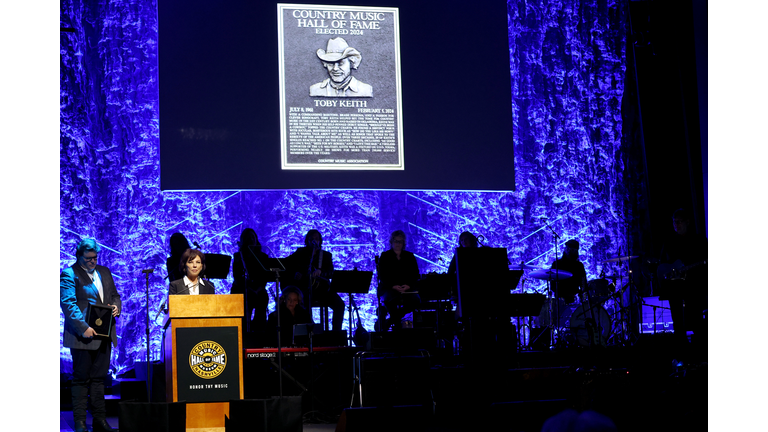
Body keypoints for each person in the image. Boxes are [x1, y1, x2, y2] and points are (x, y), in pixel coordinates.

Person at [60, 239, 121, 432]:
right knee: (80, 379)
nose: (92, 261)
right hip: (82, 336)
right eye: (88, 258)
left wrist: (116, 307)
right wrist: (83, 327)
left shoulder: (104, 271)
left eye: (95, 257)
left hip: (104, 333)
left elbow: (114, 295)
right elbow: (68, 304)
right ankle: (79, 422)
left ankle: (99, 420)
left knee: (99, 379)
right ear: (78, 256)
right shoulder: (70, 274)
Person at [658, 208, 708, 362]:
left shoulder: (699, 241)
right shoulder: (670, 241)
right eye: (674, 222)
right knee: (678, 326)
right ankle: (683, 357)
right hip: (675, 290)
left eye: (678, 221)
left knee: (696, 323)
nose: (676, 225)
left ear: (688, 222)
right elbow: (662, 263)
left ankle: (700, 357)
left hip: (694, 289)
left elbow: (704, 265)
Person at [285, 230, 345, 331]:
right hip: (305, 289)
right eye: (311, 239)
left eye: (316, 239)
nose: (314, 241)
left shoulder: (326, 256)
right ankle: (309, 333)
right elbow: (286, 264)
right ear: (307, 241)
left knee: (340, 305)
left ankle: (336, 334)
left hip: (323, 290)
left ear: (320, 241)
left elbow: (331, 272)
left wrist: (321, 272)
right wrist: (295, 273)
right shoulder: (300, 253)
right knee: (303, 305)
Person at [377, 230, 421, 331]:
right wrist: (393, 286)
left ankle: (392, 320)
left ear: (403, 243)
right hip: (389, 288)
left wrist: (408, 285)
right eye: (396, 241)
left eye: (400, 241)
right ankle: (397, 325)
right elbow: (382, 275)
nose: (397, 244)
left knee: (416, 300)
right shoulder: (385, 256)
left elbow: (415, 274)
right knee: (390, 299)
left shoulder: (409, 256)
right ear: (391, 242)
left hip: (407, 288)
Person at [231, 228, 271, 332]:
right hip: (242, 289)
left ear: (256, 240)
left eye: (252, 238)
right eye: (247, 238)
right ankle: (242, 331)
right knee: (242, 301)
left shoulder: (263, 257)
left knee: (263, 297)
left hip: (258, 290)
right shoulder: (238, 257)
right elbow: (237, 277)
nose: (250, 240)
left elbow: (264, 277)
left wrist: (257, 290)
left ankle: (259, 331)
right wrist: (248, 289)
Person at [550, 239, 587, 304]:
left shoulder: (579, 266)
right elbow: (552, 285)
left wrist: (581, 294)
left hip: (575, 299)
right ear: (566, 249)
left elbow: (584, 284)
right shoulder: (557, 264)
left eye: (574, 250)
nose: (570, 251)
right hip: (560, 300)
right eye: (569, 249)